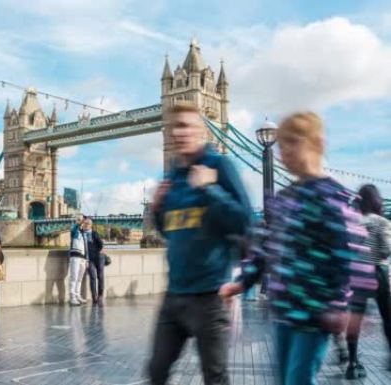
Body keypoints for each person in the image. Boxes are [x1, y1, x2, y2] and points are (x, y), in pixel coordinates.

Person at [219, 112, 368, 385]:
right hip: (283, 311)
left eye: (292, 143)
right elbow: (266, 248)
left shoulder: (336, 197)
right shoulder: (283, 198)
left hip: (315, 313)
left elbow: (352, 255)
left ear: (317, 144)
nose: (283, 152)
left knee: (298, 379)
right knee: (284, 379)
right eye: (280, 146)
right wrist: (241, 283)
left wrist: (348, 307)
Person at [148, 104, 251, 385]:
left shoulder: (220, 166)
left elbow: (245, 221)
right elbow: (173, 233)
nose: (182, 132)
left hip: (210, 296)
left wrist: (210, 188)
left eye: (188, 125)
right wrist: (157, 211)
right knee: (156, 370)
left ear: (202, 130)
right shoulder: (171, 177)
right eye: (176, 126)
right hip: (174, 295)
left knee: (214, 378)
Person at [340, 184, 391, 379]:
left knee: (355, 320)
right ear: (377, 200)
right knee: (387, 317)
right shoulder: (381, 222)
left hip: (357, 275)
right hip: (378, 272)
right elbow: (386, 250)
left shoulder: (354, 222)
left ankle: (352, 364)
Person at [83, 219, 105, 306]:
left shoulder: (94, 233)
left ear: (90, 225)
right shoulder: (81, 234)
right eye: (84, 223)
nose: (85, 225)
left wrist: (97, 252)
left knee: (100, 276)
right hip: (89, 259)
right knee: (93, 276)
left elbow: (100, 244)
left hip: (98, 257)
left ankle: (100, 295)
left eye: (87, 223)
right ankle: (94, 296)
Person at [68, 214, 88, 306]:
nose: (83, 223)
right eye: (81, 221)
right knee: (74, 277)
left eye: (84, 221)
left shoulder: (84, 233)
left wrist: (86, 259)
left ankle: (77, 295)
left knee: (79, 278)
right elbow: (75, 227)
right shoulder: (75, 231)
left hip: (83, 258)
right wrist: (79, 221)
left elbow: (86, 247)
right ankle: (72, 297)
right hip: (75, 256)